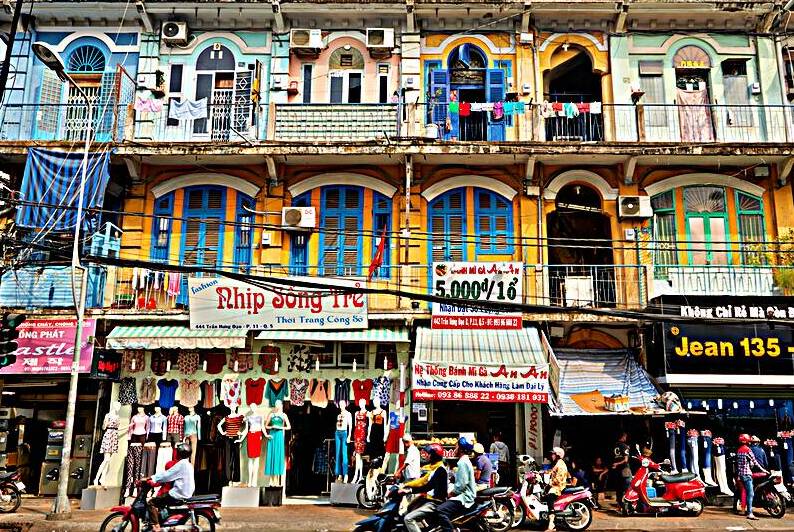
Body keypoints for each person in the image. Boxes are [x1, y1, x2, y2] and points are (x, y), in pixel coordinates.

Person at [145, 443, 195, 532]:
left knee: (151, 503)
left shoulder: (181, 464)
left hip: (177, 494)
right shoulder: (188, 465)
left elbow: (166, 475)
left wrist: (150, 478)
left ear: (179, 453)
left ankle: (156, 527)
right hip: (186, 494)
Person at [401, 443, 448, 532]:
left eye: (429, 454)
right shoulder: (434, 468)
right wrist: (406, 485)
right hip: (428, 499)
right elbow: (422, 480)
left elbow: (428, 486)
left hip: (435, 503)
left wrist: (409, 491)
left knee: (408, 518)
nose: (427, 456)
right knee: (408, 509)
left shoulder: (440, 470)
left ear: (434, 456)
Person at [437, 437, 477, 532]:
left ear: (461, 449)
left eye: (456, 447)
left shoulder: (462, 462)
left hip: (464, 497)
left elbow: (461, 486)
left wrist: (450, 494)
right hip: (464, 495)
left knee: (440, 510)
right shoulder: (464, 461)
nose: (454, 449)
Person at [737, 433, 768, 520]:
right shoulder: (748, 450)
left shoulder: (739, 450)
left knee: (744, 491)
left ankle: (743, 509)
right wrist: (763, 470)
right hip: (747, 474)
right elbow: (755, 463)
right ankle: (750, 513)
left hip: (741, 475)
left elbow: (739, 464)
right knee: (750, 494)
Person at [546, 447, 569, 531]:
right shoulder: (557, 463)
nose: (551, 456)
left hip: (558, 487)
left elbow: (558, 479)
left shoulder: (560, 464)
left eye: (553, 454)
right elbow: (552, 472)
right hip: (556, 485)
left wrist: (549, 482)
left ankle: (552, 524)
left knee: (550, 496)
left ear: (558, 455)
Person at [612, 432, 632, 511]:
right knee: (628, 487)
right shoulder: (624, 446)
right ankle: (627, 506)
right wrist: (617, 463)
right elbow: (625, 460)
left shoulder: (615, 446)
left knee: (619, 488)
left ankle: (619, 505)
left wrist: (616, 464)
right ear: (623, 437)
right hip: (625, 470)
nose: (626, 438)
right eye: (625, 437)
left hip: (617, 471)